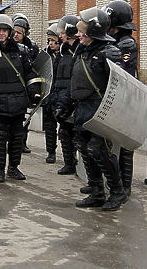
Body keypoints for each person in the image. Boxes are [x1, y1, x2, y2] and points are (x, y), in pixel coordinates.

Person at [72, 7, 126, 211]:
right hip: (83, 109)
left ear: (93, 31)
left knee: (99, 150)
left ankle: (118, 192)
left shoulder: (109, 53)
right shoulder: (84, 51)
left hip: (100, 110)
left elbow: (120, 86)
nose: (78, 34)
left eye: (82, 31)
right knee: (85, 149)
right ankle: (96, 193)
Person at [0, 14, 36, 183]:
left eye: (4, 30)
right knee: (0, 138)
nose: (1, 34)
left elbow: (30, 73)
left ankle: (14, 167)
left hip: (18, 103)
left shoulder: (21, 51)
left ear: (9, 32)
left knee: (17, 138)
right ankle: (0, 169)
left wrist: (34, 91)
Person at [104, 0, 138, 199]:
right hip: (115, 98)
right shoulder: (113, 41)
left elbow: (120, 70)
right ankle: (112, 183)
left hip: (127, 100)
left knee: (125, 147)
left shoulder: (127, 43)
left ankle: (125, 186)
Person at [53, 15, 80, 175]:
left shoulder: (78, 51)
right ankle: (69, 163)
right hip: (61, 97)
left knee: (77, 135)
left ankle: (82, 167)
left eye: (62, 32)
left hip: (73, 99)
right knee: (64, 132)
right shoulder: (62, 52)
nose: (60, 35)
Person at [12, 13, 39, 154]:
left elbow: (36, 68)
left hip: (26, 85)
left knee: (25, 117)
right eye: (14, 32)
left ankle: (22, 142)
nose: (16, 35)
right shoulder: (7, 45)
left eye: (19, 32)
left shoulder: (32, 48)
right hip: (11, 84)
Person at [42, 23, 61, 164]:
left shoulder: (66, 56)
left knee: (67, 129)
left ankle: (70, 156)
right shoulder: (45, 55)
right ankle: (51, 152)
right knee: (49, 127)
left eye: (54, 40)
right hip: (48, 96)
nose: (51, 43)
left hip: (61, 96)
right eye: (49, 40)